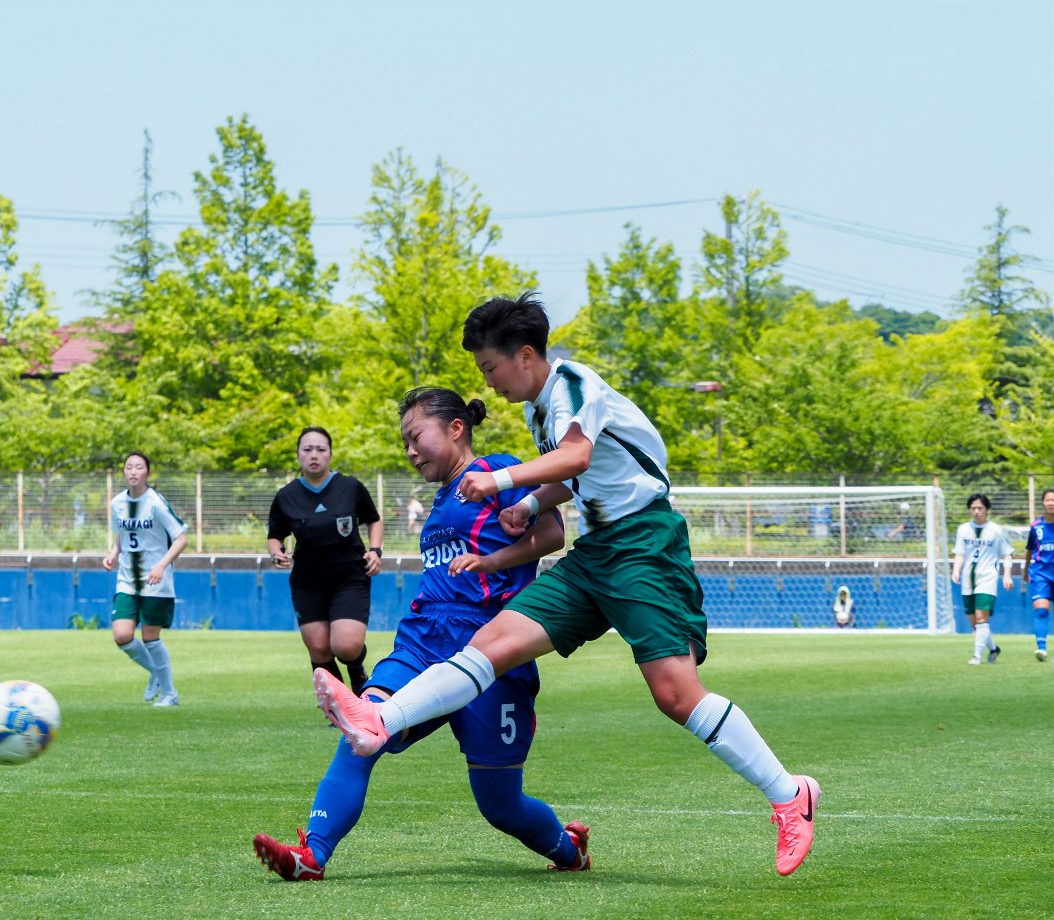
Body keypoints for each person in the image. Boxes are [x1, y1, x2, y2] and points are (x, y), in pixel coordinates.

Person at [314, 294, 820, 877]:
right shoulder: (540, 413)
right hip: (597, 551)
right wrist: (529, 503)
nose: (489, 382)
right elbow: (579, 476)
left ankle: (790, 794)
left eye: (490, 368)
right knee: (490, 645)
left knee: (676, 695)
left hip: (643, 544)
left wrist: (502, 483)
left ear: (526, 356)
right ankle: (379, 721)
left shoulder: (572, 383)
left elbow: (577, 458)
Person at [254, 387, 584, 880]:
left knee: (500, 805)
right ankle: (311, 855)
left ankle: (570, 849)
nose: (409, 451)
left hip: (492, 647)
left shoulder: (498, 471)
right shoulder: (442, 497)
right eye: (404, 442)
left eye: (416, 437)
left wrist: (493, 561)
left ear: (456, 428)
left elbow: (554, 534)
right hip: (423, 640)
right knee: (362, 732)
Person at [267, 427, 383, 691]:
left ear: (330, 453)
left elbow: (374, 520)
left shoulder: (350, 487)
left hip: (350, 576)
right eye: (307, 449)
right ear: (298, 454)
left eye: (320, 449)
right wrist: (276, 553)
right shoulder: (286, 495)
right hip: (307, 581)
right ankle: (339, 704)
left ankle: (356, 669)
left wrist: (375, 551)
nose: (314, 455)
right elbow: (274, 536)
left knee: (346, 647)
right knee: (319, 649)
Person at [104, 451, 189, 706]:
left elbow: (181, 539)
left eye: (138, 467)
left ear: (148, 473)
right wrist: (112, 554)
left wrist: (162, 565)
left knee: (150, 637)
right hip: (127, 579)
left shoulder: (155, 503)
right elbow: (123, 535)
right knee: (122, 635)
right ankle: (156, 673)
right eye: (128, 467)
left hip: (155, 581)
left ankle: (170, 693)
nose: (133, 471)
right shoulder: (117, 503)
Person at [951, 492, 1013, 666]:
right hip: (967, 580)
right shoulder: (963, 529)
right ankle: (993, 649)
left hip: (987, 579)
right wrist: (956, 570)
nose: (976, 511)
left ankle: (977, 656)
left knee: (981, 618)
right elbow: (959, 553)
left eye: (980, 508)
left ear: (986, 509)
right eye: (973, 508)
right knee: (975, 623)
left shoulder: (995, 530)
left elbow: (1007, 553)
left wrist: (1007, 575)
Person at [1023, 488, 1054, 662]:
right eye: (1048, 500)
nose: (1051, 503)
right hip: (1040, 574)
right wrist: (1026, 570)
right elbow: (1029, 550)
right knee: (1042, 610)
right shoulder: (1036, 526)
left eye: (1053, 500)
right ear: (1043, 502)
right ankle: (1041, 648)